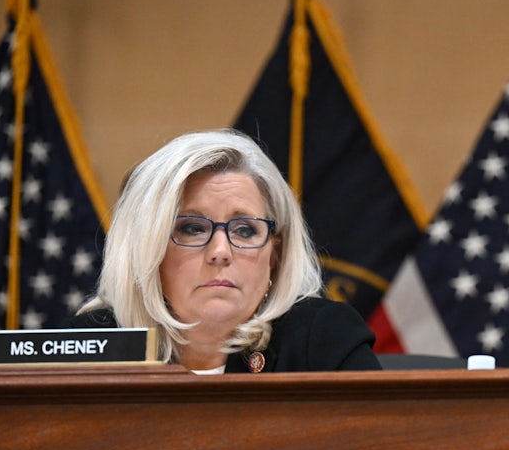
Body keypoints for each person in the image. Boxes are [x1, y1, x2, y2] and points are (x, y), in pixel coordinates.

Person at [70, 129, 381, 373]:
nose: (220, 251)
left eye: (245, 230)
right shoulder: (89, 346)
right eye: (192, 228)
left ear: (275, 255)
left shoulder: (323, 340)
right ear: (147, 249)